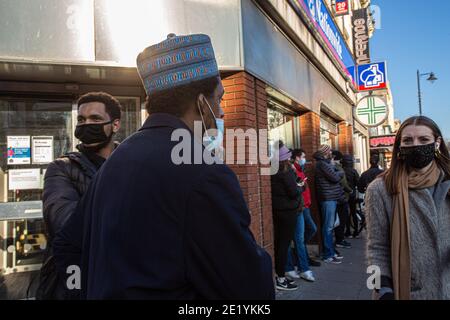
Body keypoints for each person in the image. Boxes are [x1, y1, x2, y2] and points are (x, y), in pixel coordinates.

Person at [53, 34, 274, 300]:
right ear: (201, 103)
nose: (221, 112)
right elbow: (246, 287)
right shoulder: (203, 170)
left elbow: (68, 245)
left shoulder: (117, 160)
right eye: (219, 99)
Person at [36, 92, 122, 300]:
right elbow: (65, 225)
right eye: (82, 120)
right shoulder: (61, 168)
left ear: (115, 125)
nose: (86, 125)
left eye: (96, 119)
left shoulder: (129, 164)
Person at [366, 116, 450, 300]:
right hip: (410, 292)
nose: (416, 145)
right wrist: (381, 290)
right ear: (400, 146)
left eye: (424, 139)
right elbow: (375, 249)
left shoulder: (447, 182)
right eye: (407, 140)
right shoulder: (380, 189)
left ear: (437, 143)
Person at [271, 143, 303, 290]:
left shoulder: (272, 170)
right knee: (284, 245)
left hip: (277, 210)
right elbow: (292, 192)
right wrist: (300, 187)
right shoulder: (286, 171)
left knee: (279, 243)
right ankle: (281, 278)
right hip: (288, 211)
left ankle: (280, 275)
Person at [285, 149, 320, 283]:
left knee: (301, 237)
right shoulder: (287, 171)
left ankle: (303, 265)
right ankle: (298, 268)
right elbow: (294, 190)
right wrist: (299, 186)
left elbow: (299, 187)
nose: (304, 159)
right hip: (294, 209)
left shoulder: (297, 169)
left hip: (300, 207)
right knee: (295, 239)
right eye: (303, 157)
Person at [313, 145, 345, 264]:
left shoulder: (325, 164)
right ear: (325, 153)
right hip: (328, 199)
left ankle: (331, 252)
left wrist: (336, 171)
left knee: (330, 227)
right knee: (328, 228)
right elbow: (335, 177)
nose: (331, 152)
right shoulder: (322, 164)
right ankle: (328, 255)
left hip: (330, 198)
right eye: (329, 150)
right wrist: (340, 172)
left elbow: (334, 173)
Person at [331, 150, 353, 250]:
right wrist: (350, 190)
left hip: (336, 197)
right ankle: (340, 239)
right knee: (341, 219)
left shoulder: (330, 167)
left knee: (338, 220)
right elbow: (343, 183)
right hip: (341, 197)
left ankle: (339, 239)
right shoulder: (338, 168)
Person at [342, 155, 360, 239]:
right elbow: (358, 183)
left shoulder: (341, 170)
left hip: (343, 194)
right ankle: (356, 231)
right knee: (353, 212)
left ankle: (348, 231)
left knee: (346, 213)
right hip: (352, 194)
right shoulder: (353, 171)